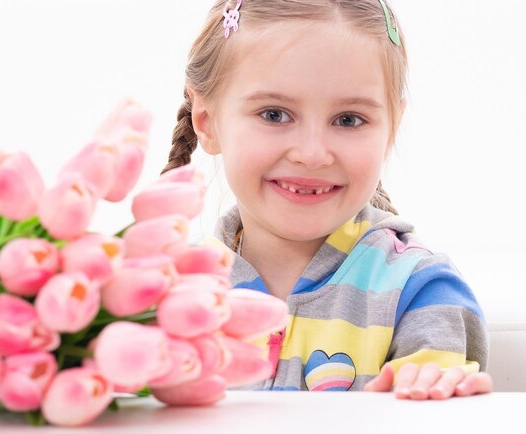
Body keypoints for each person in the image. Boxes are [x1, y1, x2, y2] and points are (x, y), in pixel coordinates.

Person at [162, 0, 492, 399]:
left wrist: (432, 389)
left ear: (391, 128)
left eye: (349, 119)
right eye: (274, 114)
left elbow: (438, 405)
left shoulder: (421, 292)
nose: (313, 153)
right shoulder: (165, 290)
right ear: (207, 122)